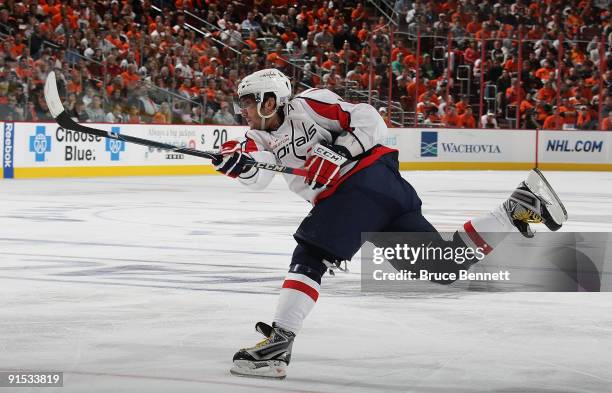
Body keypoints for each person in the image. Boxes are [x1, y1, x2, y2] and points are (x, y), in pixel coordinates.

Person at [213, 69, 567, 379]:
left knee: (311, 253)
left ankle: (279, 344)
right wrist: (238, 164)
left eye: (247, 101)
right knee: (442, 265)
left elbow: (369, 119)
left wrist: (339, 151)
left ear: (270, 100)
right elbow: (254, 170)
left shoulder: (309, 104)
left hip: (363, 182)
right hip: (383, 195)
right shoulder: (257, 137)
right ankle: (518, 206)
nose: (242, 109)